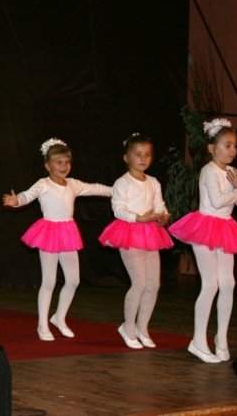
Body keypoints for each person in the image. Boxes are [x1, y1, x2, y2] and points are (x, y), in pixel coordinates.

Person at [2, 138, 112, 341]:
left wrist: (118, 191)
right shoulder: (43, 184)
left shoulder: (73, 184)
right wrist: (16, 200)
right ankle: (42, 324)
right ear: (47, 165)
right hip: (49, 233)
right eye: (58, 162)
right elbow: (27, 195)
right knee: (49, 281)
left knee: (73, 280)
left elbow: (95, 188)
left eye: (67, 162)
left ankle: (59, 318)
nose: (64, 166)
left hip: (68, 233)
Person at [169, 118, 237, 363]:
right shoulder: (208, 170)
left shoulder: (232, 172)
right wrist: (236, 190)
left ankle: (221, 338)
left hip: (225, 228)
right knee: (210, 284)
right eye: (227, 145)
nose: (232, 150)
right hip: (205, 227)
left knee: (228, 283)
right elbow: (216, 201)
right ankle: (198, 341)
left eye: (234, 146)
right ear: (212, 148)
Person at [99, 133, 173, 349]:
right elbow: (118, 209)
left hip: (150, 234)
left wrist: (163, 216)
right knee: (139, 283)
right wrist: (139, 218)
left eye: (147, 154)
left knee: (153, 285)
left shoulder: (153, 182)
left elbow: (159, 205)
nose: (143, 158)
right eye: (138, 154)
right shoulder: (122, 183)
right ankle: (128, 327)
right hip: (129, 233)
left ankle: (143, 327)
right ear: (126, 157)